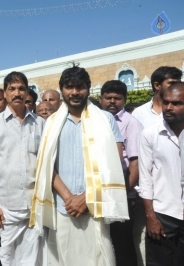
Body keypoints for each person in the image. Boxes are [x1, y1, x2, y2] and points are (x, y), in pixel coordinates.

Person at [31, 64, 128, 266]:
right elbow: (46, 165)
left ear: (88, 88)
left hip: (95, 203)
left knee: (98, 257)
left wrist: (86, 197)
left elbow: (115, 162)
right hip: (62, 205)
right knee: (63, 257)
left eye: (80, 86)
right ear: (62, 90)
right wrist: (69, 197)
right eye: (69, 87)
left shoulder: (106, 119)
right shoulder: (51, 122)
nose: (75, 92)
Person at [0, 71, 45, 265]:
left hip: (34, 203)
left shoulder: (40, 123)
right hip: (7, 204)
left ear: (28, 92)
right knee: (8, 253)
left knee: (34, 253)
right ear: (5, 93)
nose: (17, 93)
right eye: (12, 89)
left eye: (21, 89)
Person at [130, 66, 182, 266]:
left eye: (176, 103)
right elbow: (146, 177)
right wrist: (151, 216)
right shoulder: (150, 133)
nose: (169, 108)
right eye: (166, 103)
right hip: (163, 212)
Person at [99, 80, 144, 266]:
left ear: (124, 100)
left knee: (122, 244)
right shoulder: (96, 120)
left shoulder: (131, 123)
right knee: (104, 243)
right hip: (100, 195)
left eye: (117, 98)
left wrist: (121, 194)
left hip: (123, 194)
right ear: (100, 99)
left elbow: (135, 164)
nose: (112, 101)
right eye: (107, 97)